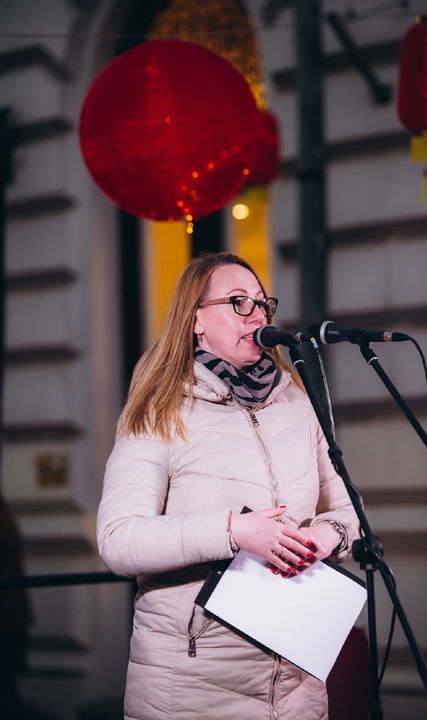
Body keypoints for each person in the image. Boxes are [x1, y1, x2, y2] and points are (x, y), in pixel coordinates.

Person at [97, 252, 360, 720]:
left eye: (262, 302)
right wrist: (234, 531)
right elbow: (119, 540)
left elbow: (349, 512)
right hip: (191, 689)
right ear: (195, 320)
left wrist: (327, 536)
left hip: (296, 687)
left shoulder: (298, 402)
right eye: (238, 302)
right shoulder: (159, 411)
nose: (257, 314)